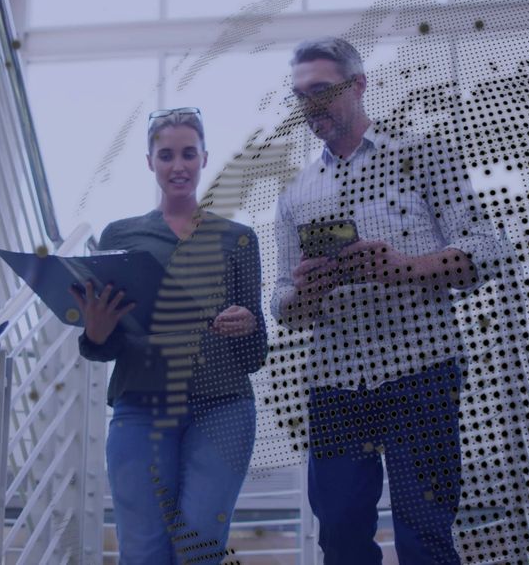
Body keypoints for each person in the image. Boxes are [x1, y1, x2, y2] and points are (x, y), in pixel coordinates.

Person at [270, 37, 503, 564]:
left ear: (358, 85)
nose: (310, 105)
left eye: (321, 90)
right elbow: (282, 303)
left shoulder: (424, 156)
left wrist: (406, 267)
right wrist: (306, 292)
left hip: (421, 371)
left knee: (425, 535)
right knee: (339, 539)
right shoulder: (295, 193)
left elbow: (487, 250)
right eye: (300, 96)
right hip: (334, 384)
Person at [69, 107, 268, 564]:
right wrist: (96, 332)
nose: (178, 165)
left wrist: (248, 324)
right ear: (150, 162)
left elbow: (254, 355)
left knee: (199, 547)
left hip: (222, 408)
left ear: (204, 158)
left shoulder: (238, 239)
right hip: (141, 406)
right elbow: (104, 345)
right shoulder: (121, 235)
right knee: (143, 551)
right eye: (166, 155)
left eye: (188, 154)